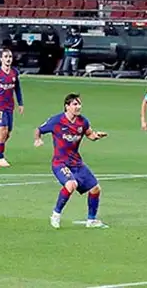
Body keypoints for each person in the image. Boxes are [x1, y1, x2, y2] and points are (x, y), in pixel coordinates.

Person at [34, 93, 109, 229]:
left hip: (76, 163)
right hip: (60, 163)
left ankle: (91, 220)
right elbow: (38, 129)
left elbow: (90, 134)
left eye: (79, 104)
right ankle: (56, 215)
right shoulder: (57, 121)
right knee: (71, 184)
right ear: (67, 106)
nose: (78, 106)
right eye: (75, 104)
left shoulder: (83, 122)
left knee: (95, 189)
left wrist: (97, 136)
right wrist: (38, 139)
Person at [0, 48, 23, 168]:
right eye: (6, 57)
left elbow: (17, 88)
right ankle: (1, 158)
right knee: (2, 130)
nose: (8, 59)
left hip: (9, 107)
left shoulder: (14, 72)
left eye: (10, 57)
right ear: (1, 59)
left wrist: (20, 103)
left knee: (7, 134)